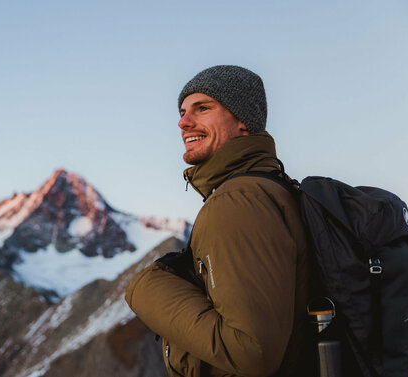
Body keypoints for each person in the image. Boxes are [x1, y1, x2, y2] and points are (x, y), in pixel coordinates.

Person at [125, 65, 313, 376]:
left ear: (243, 121)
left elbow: (252, 352)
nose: (183, 122)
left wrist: (144, 288)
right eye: (184, 111)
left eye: (203, 108)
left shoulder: (238, 201)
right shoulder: (272, 188)